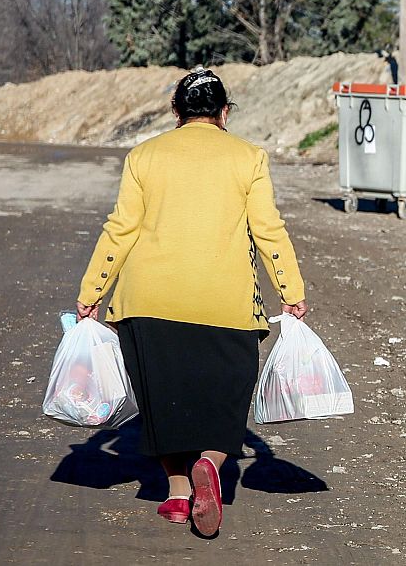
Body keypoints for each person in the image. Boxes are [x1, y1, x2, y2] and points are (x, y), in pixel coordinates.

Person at [73, 69, 307, 536]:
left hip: (148, 302)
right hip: (226, 305)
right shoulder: (249, 157)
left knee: (163, 401)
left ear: (176, 111)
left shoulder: (144, 156)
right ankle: (210, 464)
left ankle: (178, 493)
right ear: (224, 112)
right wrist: (291, 292)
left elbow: (121, 229)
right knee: (225, 400)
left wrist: (91, 292)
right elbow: (268, 230)